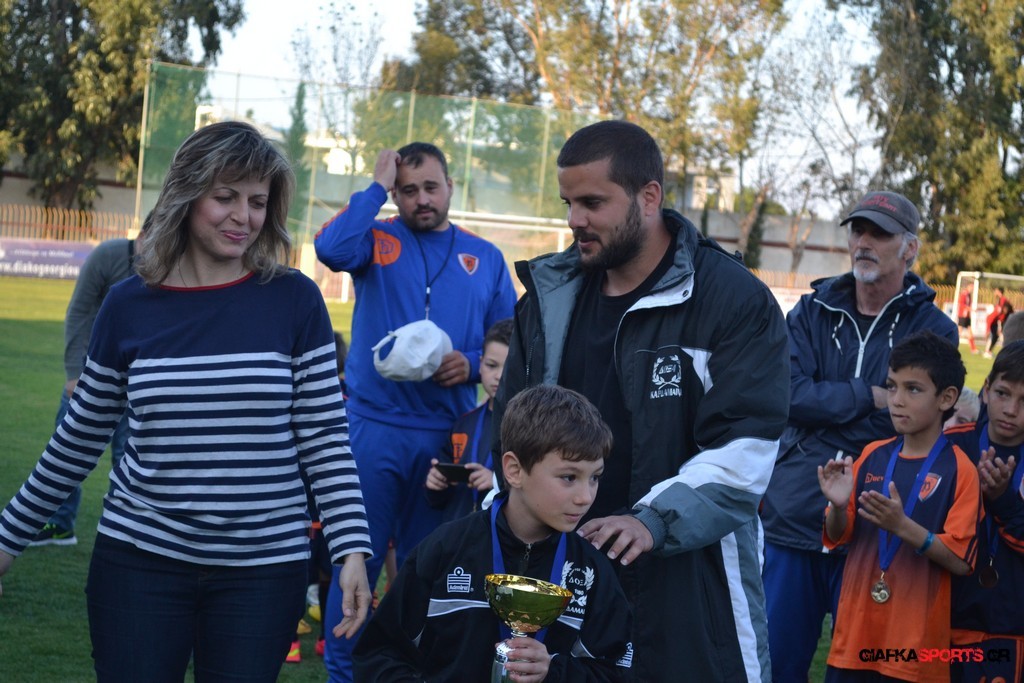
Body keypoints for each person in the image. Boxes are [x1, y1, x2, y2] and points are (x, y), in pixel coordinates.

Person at [0, 121, 372, 681]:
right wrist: (7, 540)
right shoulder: (128, 306)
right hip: (138, 562)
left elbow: (324, 440)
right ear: (187, 194)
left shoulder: (295, 300)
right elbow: (78, 439)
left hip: (263, 570)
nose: (242, 216)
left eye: (256, 202)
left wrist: (351, 548)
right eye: (225, 197)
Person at [495, 120, 789, 682]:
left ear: (649, 197)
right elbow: (511, 431)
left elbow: (746, 450)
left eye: (592, 202)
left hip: (692, 583)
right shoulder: (548, 301)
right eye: (568, 203)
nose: (574, 219)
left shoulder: (733, 300)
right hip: (565, 574)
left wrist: (652, 520)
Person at [314, 142, 517, 681]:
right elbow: (330, 248)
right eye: (407, 190)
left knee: (430, 566)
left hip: (448, 437)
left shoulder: (485, 257)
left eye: (430, 187)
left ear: (451, 187)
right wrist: (375, 188)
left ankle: (416, 671)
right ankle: (342, 673)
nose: (421, 199)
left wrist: (470, 364)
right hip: (372, 428)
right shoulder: (374, 238)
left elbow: (513, 342)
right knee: (356, 558)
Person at [760, 190, 959, 683]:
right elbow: (785, 396)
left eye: (880, 233)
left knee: (862, 672)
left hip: (878, 525)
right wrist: (868, 396)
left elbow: (910, 419)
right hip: (795, 512)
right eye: (858, 230)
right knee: (775, 666)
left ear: (909, 249)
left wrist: (826, 408)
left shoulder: (933, 327)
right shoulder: (809, 311)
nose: (864, 242)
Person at [353, 384, 632, 681]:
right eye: (569, 477)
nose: (586, 497)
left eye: (595, 478)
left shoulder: (591, 569)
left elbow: (617, 672)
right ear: (514, 470)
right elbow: (378, 655)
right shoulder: (446, 549)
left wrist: (554, 670)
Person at [818, 331, 981, 683]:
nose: (897, 400)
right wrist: (838, 506)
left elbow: (962, 560)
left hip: (914, 653)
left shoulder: (960, 470)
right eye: (892, 387)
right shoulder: (872, 455)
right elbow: (837, 535)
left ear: (947, 398)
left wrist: (903, 527)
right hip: (853, 641)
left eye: (913, 389)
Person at [30, 233, 142, 546]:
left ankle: (127, 529)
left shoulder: (175, 262)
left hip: (139, 376)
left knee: (128, 455)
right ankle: (60, 524)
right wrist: (73, 374)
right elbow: (78, 311)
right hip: (92, 371)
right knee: (66, 447)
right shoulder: (108, 256)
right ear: (144, 234)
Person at [945, 341, 1024, 683]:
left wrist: (1003, 500)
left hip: (1011, 626)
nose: (1011, 410)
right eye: (1003, 394)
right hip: (946, 618)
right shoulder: (950, 445)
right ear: (986, 390)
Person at [425, 317, 512, 521]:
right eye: (491, 365)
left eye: (508, 367)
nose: (498, 375)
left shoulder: (531, 427)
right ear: (480, 365)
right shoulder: (463, 424)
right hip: (459, 532)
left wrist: (496, 481)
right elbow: (439, 501)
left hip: (499, 534)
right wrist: (436, 484)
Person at [984, 287, 1012, 358]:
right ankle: (988, 351)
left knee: (998, 336)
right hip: (998, 321)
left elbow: (1004, 310)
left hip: (1001, 321)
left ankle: (989, 351)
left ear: (999, 291)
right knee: (995, 336)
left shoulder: (1003, 300)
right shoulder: (1000, 300)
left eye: (995, 291)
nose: (994, 292)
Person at [956, 281, 979, 354]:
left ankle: (973, 349)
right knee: (959, 331)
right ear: (968, 286)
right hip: (962, 315)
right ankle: (951, 344)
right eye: (972, 286)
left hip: (967, 316)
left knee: (970, 331)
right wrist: (970, 309)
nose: (973, 288)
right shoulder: (964, 294)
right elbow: (961, 304)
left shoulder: (969, 295)